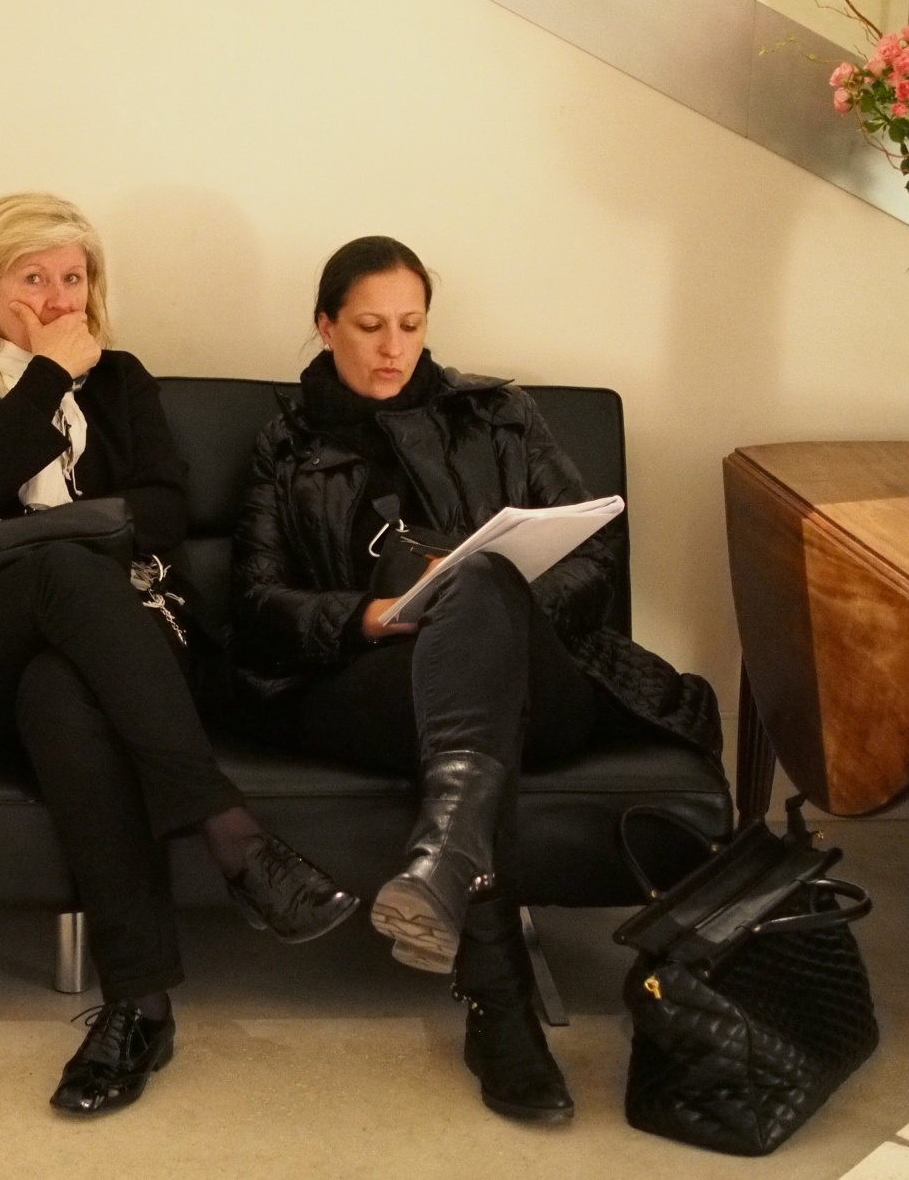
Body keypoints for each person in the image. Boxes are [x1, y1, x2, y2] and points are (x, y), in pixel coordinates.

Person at [0, 193, 360, 1117]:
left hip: (115, 642)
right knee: (62, 567)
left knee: (64, 691)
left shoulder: (122, 380)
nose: (61, 298)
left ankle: (139, 1008)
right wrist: (45, 382)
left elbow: (166, 512)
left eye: (74, 277)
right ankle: (232, 835)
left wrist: (19, 528)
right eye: (34, 278)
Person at [232, 236, 719, 1124]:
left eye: (410, 325)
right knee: (467, 693)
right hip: (367, 681)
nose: (392, 348)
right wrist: (366, 616)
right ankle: (497, 1002)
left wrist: (495, 605)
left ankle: (456, 897)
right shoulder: (284, 447)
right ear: (324, 326)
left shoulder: (500, 416)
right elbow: (257, 601)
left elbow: (594, 553)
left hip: (539, 673)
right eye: (369, 327)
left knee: (483, 582)